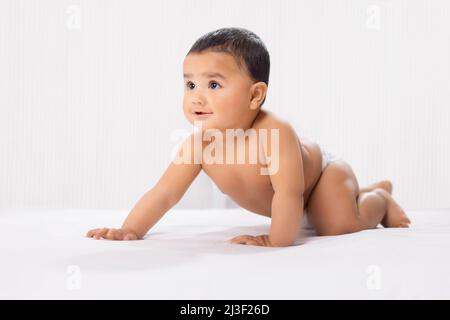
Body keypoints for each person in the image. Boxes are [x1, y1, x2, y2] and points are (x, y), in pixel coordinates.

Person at [86, 27, 410, 247]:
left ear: (255, 96)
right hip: (298, 194)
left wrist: (274, 240)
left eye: (213, 85)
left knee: (336, 225)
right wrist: (130, 229)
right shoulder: (200, 145)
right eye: (190, 85)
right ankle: (367, 192)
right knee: (316, 215)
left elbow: (288, 194)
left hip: (323, 175)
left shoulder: (274, 133)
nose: (197, 97)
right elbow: (164, 193)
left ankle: (378, 200)